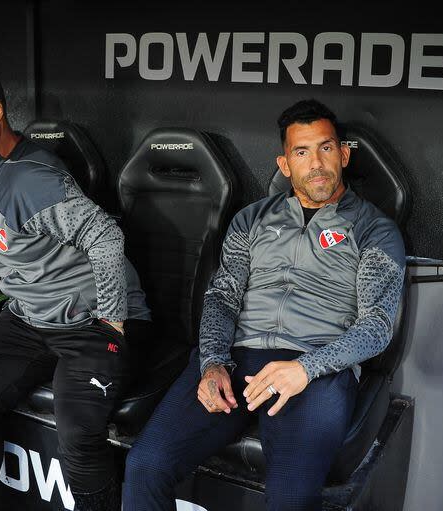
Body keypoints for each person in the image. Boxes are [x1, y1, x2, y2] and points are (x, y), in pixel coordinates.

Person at [122, 99, 406, 511]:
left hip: (316, 371)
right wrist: (212, 364)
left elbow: (377, 326)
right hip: (237, 361)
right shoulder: (251, 220)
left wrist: (304, 370)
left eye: (326, 148)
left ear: (343, 154)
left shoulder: (374, 229)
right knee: (145, 465)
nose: (317, 164)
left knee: (290, 500)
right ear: (285, 164)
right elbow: (222, 297)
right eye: (302, 152)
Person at [0, 105, 151, 511]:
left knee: (79, 432)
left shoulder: (26, 182)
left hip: (90, 319)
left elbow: (106, 237)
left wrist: (113, 320)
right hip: (30, 316)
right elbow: (23, 258)